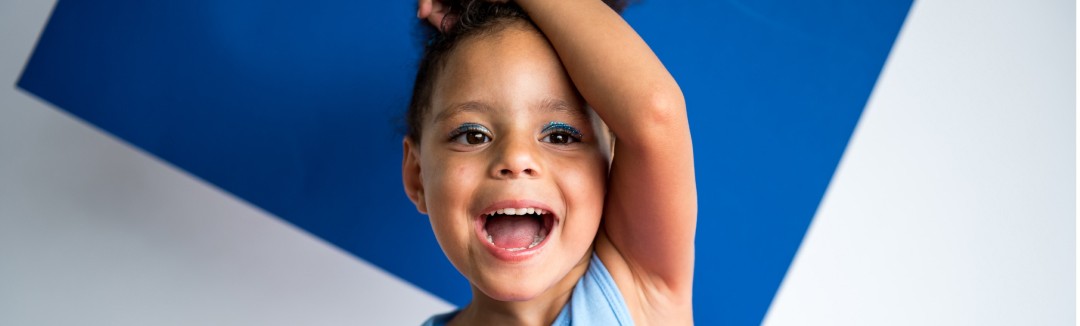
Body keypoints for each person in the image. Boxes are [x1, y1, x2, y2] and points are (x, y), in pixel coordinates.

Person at [402, 0, 697, 324]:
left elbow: (654, 112)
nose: (516, 158)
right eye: (473, 136)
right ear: (417, 174)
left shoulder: (639, 290)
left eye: (560, 136)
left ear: (612, 161)